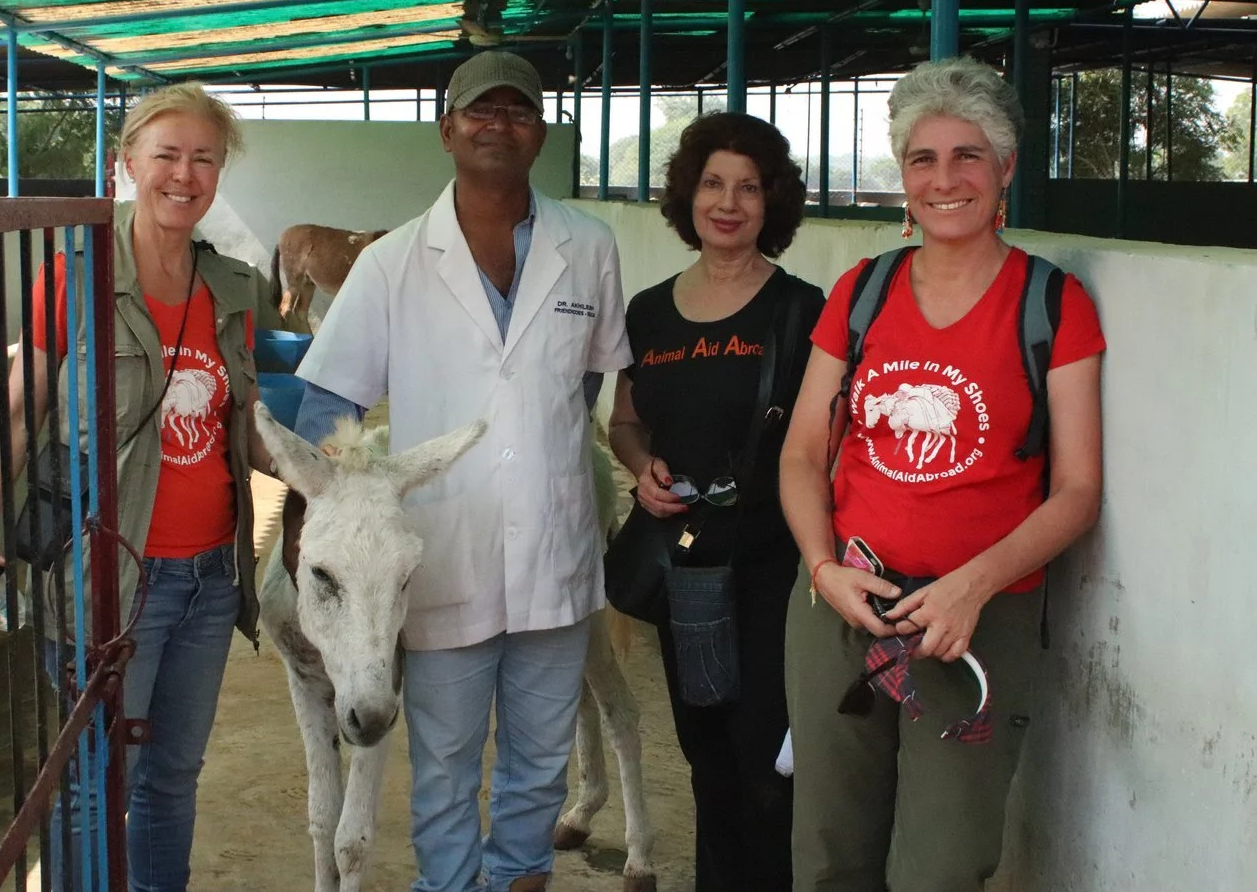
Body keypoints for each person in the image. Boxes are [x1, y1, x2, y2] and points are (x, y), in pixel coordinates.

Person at [288, 50, 631, 892]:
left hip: (552, 550)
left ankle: (518, 879)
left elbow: (585, 385)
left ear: (540, 133)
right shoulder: (391, 262)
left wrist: (540, 457)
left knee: (539, 763)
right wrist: (345, 519)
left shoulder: (589, 246)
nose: (498, 125)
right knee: (443, 768)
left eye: (518, 111)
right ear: (447, 130)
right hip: (441, 555)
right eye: (481, 111)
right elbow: (328, 404)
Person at [778, 56, 1105, 892]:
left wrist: (972, 587)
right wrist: (822, 568)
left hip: (975, 619)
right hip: (846, 603)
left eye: (968, 156)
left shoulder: (1051, 305)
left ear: (1006, 169)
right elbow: (804, 451)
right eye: (923, 159)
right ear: (903, 176)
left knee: (943, 864)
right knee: (830, 850)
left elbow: (1077, 491)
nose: (945, 179)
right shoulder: (863, 291)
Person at [0, 82, 280, 892]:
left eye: (204, 158)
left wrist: (333, 474)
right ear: (128, 163)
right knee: (97, 782)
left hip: (212, 578)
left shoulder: (234, 288)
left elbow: (243, 426)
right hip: (111, 578)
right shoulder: (74, 280)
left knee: (174, 776)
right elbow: (22, 413)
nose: (185, 174)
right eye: (166, 154)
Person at [606, 112, 823, 891]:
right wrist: (643, 469)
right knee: (705, 757)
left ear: (773, 202)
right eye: (712, 184)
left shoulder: (802, 311)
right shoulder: (647, 313)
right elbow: (624, 422)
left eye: (748, 188)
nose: (728, 204)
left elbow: (826, 443)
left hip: (774, 573)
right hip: (686, 573)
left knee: (767, 765)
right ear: (686, 195)